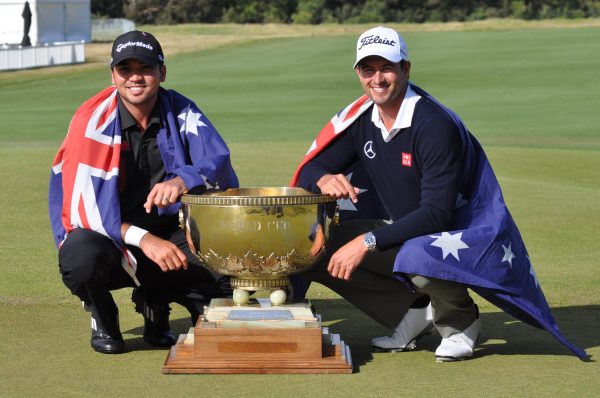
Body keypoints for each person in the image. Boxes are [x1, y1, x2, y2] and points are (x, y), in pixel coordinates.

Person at [290, 26, 587, 362]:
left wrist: (366, 242)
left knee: (415, 253)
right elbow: (313, 168)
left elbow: (436, 215)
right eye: (367, 69)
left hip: (457, 237)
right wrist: (326, 177)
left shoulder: (433, 124)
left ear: (406, 68)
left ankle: (461, 322)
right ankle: (410, 314)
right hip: (404, 229)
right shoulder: (361, 119)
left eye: (386, 67)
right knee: (313, 245)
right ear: (358, 73)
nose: (377, 78)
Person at [49, 31, 239, 354]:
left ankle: (156, 299)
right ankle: (103, 315)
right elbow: (85, 213)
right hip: (110, 239)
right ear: (113, 75)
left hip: (172, 234)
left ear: (162, 72)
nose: (135, 76)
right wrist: (146, 240)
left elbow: (218, 166)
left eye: (145, 67)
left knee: (229, 262)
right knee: (79, 255)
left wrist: (182, 181)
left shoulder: (181, 111)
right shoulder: (89, 121)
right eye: (125, 69)